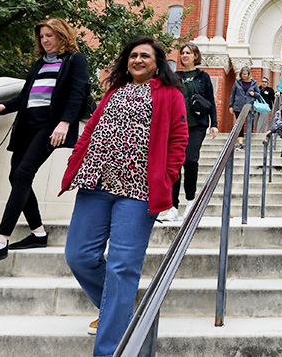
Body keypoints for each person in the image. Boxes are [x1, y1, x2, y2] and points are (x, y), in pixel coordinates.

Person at [61, 36, 188, 357]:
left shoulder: (170, 94)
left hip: (138, 189)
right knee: (79, 256)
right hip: (96, 182)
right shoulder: (114, 90)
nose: (138, 60)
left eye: (145, 55)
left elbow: (179, 139)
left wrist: (167, 176)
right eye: (133, 55)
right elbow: (91, 128)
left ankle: (111, 351)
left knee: (122, 268)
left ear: (158, 62)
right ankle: (130, 320)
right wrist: (78, 156)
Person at [0, 18, 90, 268]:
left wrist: (65, 122)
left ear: (62, 36)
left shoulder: (75, 60)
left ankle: (0, 242)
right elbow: (26, 95)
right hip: (27, 124)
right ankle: (38, 233)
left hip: (49, 124)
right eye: (42, 36)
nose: (45, 41)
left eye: (50, 36)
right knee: (16, 177)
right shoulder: (39, 63)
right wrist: (3, 106)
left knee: (23, 174)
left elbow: (78, 93)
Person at [168, 42, 219, 221]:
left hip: (197, 124)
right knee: (174, 163)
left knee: (190, 159)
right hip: (176, 125)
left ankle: (190, 201)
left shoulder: (202, 76)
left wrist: (215, 123)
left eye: (188, 53)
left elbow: (210, 101)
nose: (184, 56)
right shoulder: (175, 77)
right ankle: (173, 206)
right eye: (182, 53)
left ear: (196, 56)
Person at [229, 65, 260, 149]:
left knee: (250, 123)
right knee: (240, 125)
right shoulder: (237, 83)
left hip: (250, 106)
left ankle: (249, 141)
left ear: (249, 74)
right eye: (243, 74)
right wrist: (231, 105)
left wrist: (254, 94)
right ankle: (240, 144)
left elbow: (259, 94)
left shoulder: (254, 83)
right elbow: (233, 94)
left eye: (246, 74)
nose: (244, 75)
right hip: (238, 106)